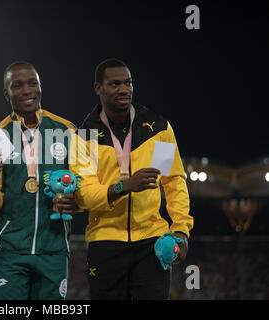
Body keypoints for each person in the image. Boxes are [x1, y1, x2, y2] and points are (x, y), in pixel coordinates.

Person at [70, 58, 193, 299]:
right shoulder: (85, 136)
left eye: (128, 82)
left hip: (151, 242)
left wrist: (181, 229)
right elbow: (83, 194)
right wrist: (123, 186)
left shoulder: (156, 128)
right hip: (105, 242)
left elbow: (173, 181)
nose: (124, 89)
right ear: (98, 88)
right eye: (115, 84)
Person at [0, 61, 79, 300]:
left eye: (32, 83)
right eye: (18, 85)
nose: (27, 90)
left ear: (40, 87)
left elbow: (85, 186)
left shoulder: (68, 131)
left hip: (54, 250)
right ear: (7, 93)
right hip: (10, 251)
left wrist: (77, 201)